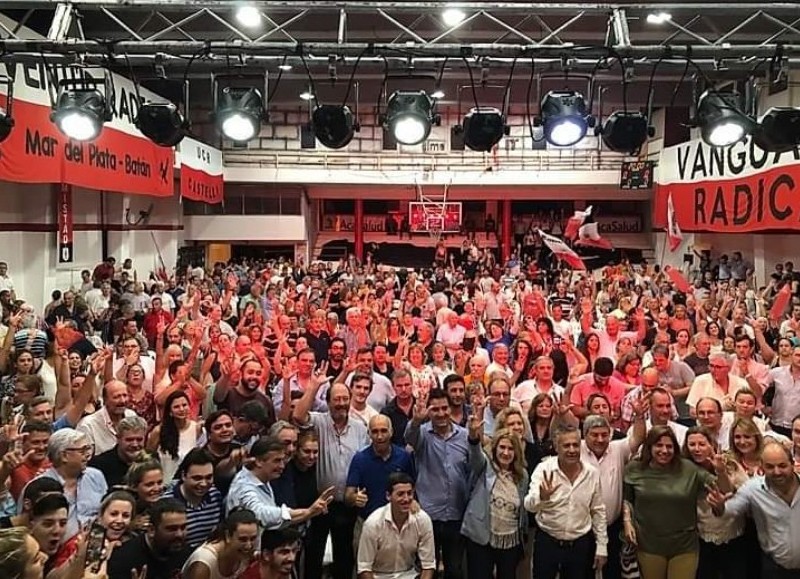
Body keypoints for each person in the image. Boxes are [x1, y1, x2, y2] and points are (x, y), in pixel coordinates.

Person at [622, 425, 731, 579]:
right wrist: (627, 522)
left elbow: (724, 489)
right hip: (648, 543)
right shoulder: (635, 468)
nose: (664, 451)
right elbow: (627, 499)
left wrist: (721, 471)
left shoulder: (688, 469)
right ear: (649, 447)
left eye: (669, 446)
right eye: (659, 445)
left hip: (684, 545)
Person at [293, 379, 369, 579]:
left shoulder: (360, 428)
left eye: (345, 398)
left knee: (345, 556)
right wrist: (314, 386)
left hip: (348, 503)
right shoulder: (319, 421)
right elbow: (298, 415)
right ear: (328, 402)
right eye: (337, 399)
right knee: (314, 555)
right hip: (320, 503)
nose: (341, 403)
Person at [525, 424, 608, 579]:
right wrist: (541, 498)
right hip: (547, 543)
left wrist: (602, 547)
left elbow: (598, 511)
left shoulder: (592, 473)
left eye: (575, 445)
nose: (572, 450)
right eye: (566, 445)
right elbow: (528, 506)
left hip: (579, 546)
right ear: (557, 448)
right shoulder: (544, 469)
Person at [707, 442, 800, 578]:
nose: (777, 472)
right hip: (775, 568)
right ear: (761, 467)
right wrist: (720, 507)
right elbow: (730, 511)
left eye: (782, 465)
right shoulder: (752, 489)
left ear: (792, 464)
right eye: (770, 467)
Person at [404, 388, 469, 579]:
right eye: (435, 409)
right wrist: (416, 419)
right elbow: (409, 437)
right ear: (429, 412)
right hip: (428, 514)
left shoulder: (464, 435)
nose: (441, 414)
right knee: (426, 568)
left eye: (444, 408)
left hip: (456, 513)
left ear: (451, 408)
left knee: (454, 570)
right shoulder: (422, 434)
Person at [462, 412, 530, 579]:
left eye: (510, 448)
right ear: (494, 448)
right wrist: (473, 436)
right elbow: (475, 454)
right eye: (502, 447)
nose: (506, 453)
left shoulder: (523, 475)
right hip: (482, 538)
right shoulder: (484, 465)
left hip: (511, 540)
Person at [226, 436, 333, 529]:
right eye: (277, 461)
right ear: (259, 461)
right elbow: (260, 514)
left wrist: (308, 514)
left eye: (282, 460)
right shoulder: (244, 486)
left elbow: (277, 522)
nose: (282, 466)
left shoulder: (263, 479)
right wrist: (307, 512)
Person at [356, 472, 436, 579]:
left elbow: (428, 565)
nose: (406, 499)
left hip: (409, 575)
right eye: (400, 494)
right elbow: (364, 568)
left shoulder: (422, 520)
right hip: (378, 575)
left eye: (409, 493)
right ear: (388, 496)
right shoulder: (373, 523)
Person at [36, 428, 107, 540]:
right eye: (82, 451)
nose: (87, 455)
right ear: (64, 455)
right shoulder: (40, 486)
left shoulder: (96, 476)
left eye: (88, 449)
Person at [345, 415, 415, 521]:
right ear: (369, 434)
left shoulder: (404, 457)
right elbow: (348, 496)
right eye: (375, 432)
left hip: (399, 521)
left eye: (384, 431)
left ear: (391, 432)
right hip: (367, 521)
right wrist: (355, 498)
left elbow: (413, 487)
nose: (379, 436)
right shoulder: (360, 459)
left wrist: (413, 502)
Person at [107, 498, 193, 579]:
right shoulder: (123, 560)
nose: (179, 534)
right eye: (171, 529)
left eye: (183, 527)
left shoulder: (185, 552)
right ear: (151, 530)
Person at [163, 449, 224, 549]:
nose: (204, 484)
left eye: (209, 477)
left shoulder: (215, 495)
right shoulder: (167, 503)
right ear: (183, 476)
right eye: (197, 478)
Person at [182, 508, 258, 579]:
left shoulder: (249, 554)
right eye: (243, 539)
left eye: (253, 539)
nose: (248, 545)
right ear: (228, 536)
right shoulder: (203, 564)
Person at [89, 415, 148, 488]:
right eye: (129, 440)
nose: (135, 444)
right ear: (118, 439)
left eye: (139, 440)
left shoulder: (151, 461)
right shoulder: (98, 465)